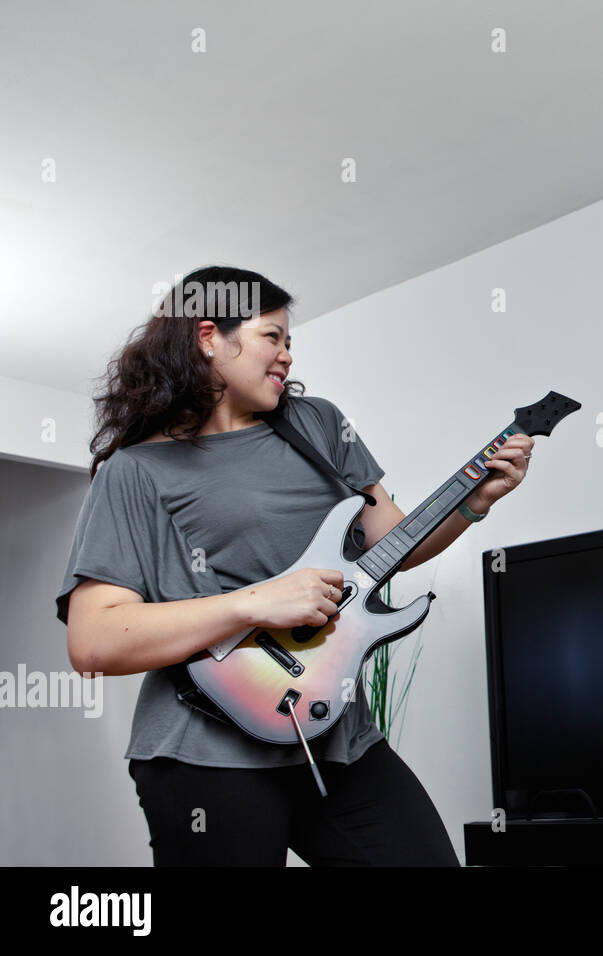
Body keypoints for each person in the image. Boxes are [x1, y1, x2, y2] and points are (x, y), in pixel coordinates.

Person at [55, 266, 533, 866]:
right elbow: (93, 640)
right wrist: (253, 602)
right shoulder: (136, 472)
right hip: (204, 753)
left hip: (335, 736)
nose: (286, 354)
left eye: (290, 342)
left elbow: (395, 546)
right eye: (271, 337)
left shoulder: (319, 424)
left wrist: (473, 503)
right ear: (209, 336)